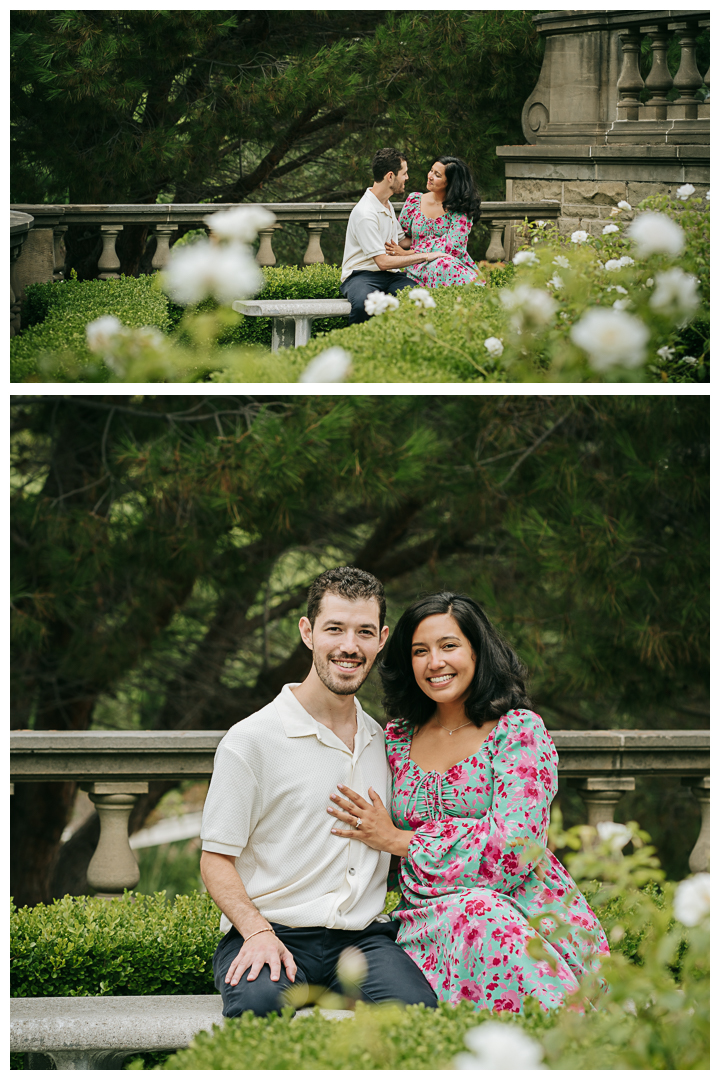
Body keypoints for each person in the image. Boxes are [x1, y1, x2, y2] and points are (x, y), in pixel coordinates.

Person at [327, 592, 610, 1014]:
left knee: (560, 1029)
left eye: (448, 645)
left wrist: (403, 841)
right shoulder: (398, 738)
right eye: (419, 651)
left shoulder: (518, 732)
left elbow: (516, 846)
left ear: (478, 652)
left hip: (523, 913)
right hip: (426, 924)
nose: (434, 662)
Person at [200, 566, 438, 1018]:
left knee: (417, 1013)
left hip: (364, 941)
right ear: (307, 632)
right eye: (335, 629)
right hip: (274, 934)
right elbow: (215, 858)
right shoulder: (251, 740)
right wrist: (254, 931)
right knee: (258, 1011)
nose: (350, 646)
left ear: (382, 639)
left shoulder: (385, 742)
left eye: (364, 632)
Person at [340, 147, 444, 324]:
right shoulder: (365, 213)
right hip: (361, 276)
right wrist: (425, 256)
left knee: (422, 301)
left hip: (392, 276)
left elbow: (403, 242)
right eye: (404, 173)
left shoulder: (386, 204)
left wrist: (439, 237)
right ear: (390, 176)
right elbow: (383, 262)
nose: (407, 178)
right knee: (363, 305)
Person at [385, 157, 483, 288]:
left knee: (444, 264)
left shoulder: (460, 208)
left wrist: (409, 253)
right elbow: (403, 236)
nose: (430, 176)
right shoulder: (414, 201)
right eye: (431, 171)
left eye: (437, 175)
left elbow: (453, 248)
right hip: (416, 266)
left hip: (449, 265)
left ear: (450, 182)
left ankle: (475, 294)